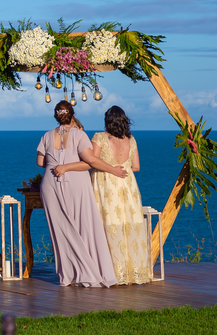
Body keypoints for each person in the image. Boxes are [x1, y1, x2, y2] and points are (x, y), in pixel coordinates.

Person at [36, 100, 127, 287]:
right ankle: (88, 272)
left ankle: (67, 275)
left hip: (50, 183)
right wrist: (113, 170)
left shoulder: (46, 136)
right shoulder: (79, 135)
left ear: (56, 116)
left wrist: (57, 165)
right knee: (84, 225)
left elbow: (39, 162)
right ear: (73, 115)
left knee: (59, 231)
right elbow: (90, 160)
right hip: (76, 183)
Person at [88, 106, 151, 285]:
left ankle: (111, 272)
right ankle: (132, 273)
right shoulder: (131, 140)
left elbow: (92, 161)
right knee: (128, 225)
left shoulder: (99, 137)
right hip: (128, 185)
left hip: (106, 185)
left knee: (107, 225)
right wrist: (123, 171)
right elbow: (136, 166)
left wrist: (110, 171)